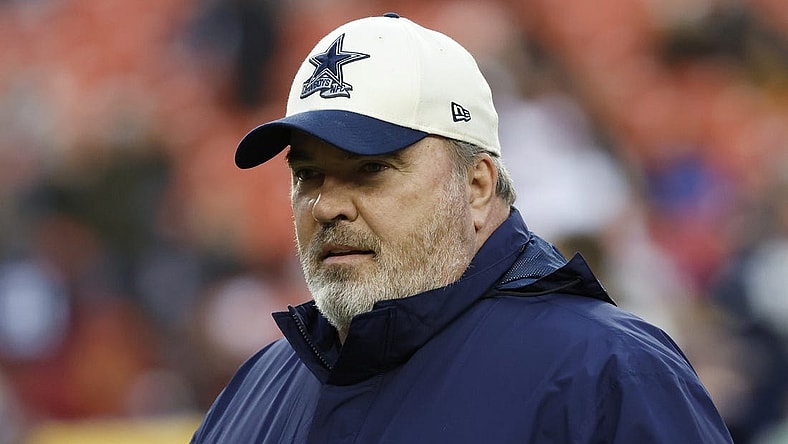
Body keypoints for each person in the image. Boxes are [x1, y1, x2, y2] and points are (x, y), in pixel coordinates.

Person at [192, 13, 734, 443]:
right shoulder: (256, 387)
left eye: (371, 169)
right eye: (308, 174)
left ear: (476, 186)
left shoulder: (609, 377)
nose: (327, 206)